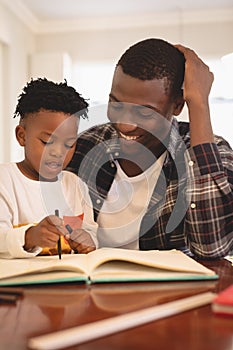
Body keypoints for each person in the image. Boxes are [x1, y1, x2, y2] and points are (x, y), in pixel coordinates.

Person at [66, 38, 233, 259]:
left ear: (177, 105)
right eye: (116, 104)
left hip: (169, 292)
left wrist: (199, 103)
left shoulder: (213, 153)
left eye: (145, 113)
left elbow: (212, 248)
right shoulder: (87, 145)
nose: (125, 124)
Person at [0, 78, 97, 259]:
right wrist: (29, 237)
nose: (58, 152)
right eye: (47, 142)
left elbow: (92, 232)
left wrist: (88, 240)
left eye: (69, 144)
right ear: (22, 136)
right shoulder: (5, 181)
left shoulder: (75, 185)